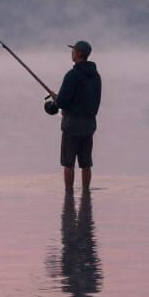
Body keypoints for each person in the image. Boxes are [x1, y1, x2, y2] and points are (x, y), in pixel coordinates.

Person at [46, 40, 102, 190]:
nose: (71, 53)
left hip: (71, 125)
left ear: (78, 54)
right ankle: (86, 193)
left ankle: (69, 195)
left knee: (68, 164)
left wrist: (54, 102)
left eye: (73, 51)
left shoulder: (72, 75)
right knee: (86, 164)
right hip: (89, 125)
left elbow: (62, 102)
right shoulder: (96, 76)